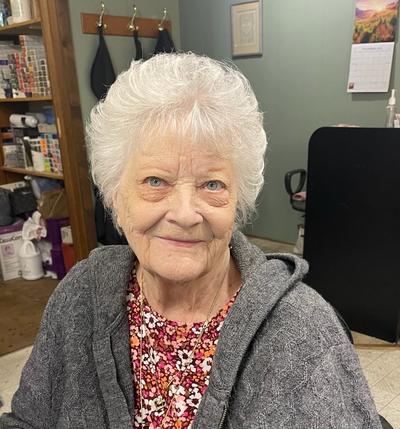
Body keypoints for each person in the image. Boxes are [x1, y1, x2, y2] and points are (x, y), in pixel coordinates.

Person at [0, 53, 381, 429]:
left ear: (238, 200)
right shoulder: (81, 295)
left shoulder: (302, 331)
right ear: (115, 196)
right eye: (155, 181)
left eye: (212, 184)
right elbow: (28, 420)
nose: (185, 214)